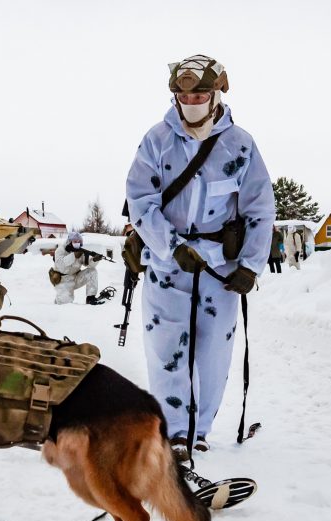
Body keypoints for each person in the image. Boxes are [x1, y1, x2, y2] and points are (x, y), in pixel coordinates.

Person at [125, 54, 276, 461]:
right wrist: (171, 245)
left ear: (217, 93)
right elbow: (140, 200)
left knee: (213, 352)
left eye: (200, 92)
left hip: (218, 269)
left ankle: (201, 428)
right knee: (167, 348)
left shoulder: (241, 144)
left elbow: (260, 208)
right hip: (167, 264)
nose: (191, 99)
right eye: (183, 93)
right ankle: (175, 432)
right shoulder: (156, 140)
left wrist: (250, 265)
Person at [50, 231, 104, 305]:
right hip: (63, 281)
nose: (77, 243)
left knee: (92, 271)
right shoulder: (60, 250)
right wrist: (73, 256)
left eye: (79, 241)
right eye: (75, 241)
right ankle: (58, 300)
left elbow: (88, 264)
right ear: (69, 241)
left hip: (75, 278)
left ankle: (90, 298)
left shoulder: (79, 251)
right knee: (64, 305)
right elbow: (61, 265)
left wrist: (94, 260)